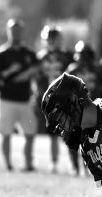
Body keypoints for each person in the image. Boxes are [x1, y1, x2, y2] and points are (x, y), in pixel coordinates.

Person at [0, 18, 38, 172]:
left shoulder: (28, 53)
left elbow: (37, 71)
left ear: (22, 32)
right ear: (8, 31)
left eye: (18, 30)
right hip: (6, 100)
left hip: (24, 100)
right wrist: (10, 72)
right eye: (13, 30)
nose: (16, 33)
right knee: (6, 133)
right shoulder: (1, 54)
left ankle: (28, 164)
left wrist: (29, 75)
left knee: (30, 133)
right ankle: (8, 164)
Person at [33, 25, 73, 174]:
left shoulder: (68, 56)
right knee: (52, 134)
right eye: (50, 39)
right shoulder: (40, 57)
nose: (52, 42)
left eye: (55, 39)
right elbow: (36, 78)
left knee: (70, 131)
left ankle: (73, 162)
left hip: (64, 98)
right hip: (47, 99)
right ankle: (54, 162)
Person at [66, 41, 102, 176]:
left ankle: (90, 167)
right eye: (81, 55)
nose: (83, 58)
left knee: (93, 139)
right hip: (76, 109)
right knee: (72, 138)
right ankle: (75, 167)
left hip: (93, 107)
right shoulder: (72, 70)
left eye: (86, 55)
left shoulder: (98, 70)